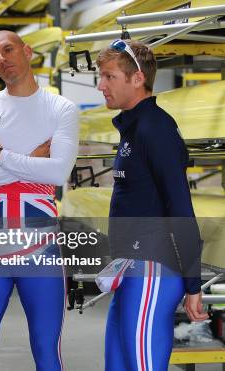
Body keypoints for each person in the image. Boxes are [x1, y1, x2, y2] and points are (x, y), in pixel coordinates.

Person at [0, 30, 79, 370]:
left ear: (27, 51)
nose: (2, 60)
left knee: (47, 351)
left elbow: (57, 174)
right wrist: (31, 160)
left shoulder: (61, 108)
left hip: (40, 242)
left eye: (8, 50)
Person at [96, 39, 206, 371]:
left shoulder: (156, 129)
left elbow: (180, 207)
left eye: (109, 77)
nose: (101, 85)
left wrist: (193, 284)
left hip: (153, 273)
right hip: (132, 270)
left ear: (137, 78)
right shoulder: (134, 128)